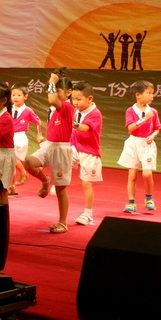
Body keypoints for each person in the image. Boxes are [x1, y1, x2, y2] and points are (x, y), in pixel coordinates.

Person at [25, 67, 75, 234]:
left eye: (58, 90)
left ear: (68, 93)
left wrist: (52, 83)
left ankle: (63, 222)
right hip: (49, 145)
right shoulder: (54, 109)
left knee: (61, 189)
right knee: (30, 163)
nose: (54, 92)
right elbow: (52, 102)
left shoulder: (67, 107)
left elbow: (53, 100)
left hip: (61, 149)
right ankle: (45, 181)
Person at [117, 80, 161, 213]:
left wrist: (153, 135)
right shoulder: (130, 111)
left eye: (152, 93)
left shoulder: (153, 111)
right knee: (132, 175)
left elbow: (157, 128)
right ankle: (131, 202)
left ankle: (149, 198)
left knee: (147, 174)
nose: (152, 96)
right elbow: (130, 127)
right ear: (138, 95)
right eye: (148, 93)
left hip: (146, 145)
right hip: (133, 143)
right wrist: (144, 119)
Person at [70, 80, 103, 225]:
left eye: (78, 99)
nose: (75, 102)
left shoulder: (95, 114)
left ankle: (88, 213)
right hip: (73, 147)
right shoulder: (76, 110)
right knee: (60, 161)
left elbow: (83, 128)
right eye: (73, 99)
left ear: (89, 99)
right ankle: (51, 183)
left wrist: (69, 122)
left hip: (89, 151)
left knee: (86, 183)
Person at [9, 82, 43, 195]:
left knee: (11, 159)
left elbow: (38, 122)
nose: (15, 97)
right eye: (13, 95)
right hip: (10, 136)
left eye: (18, 95)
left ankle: (19, 177)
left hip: (20, 137)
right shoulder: (9, 108)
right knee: (11, 161)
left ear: (25, 96)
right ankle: (14, 184)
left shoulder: (28, 110)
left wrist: (39, 134)